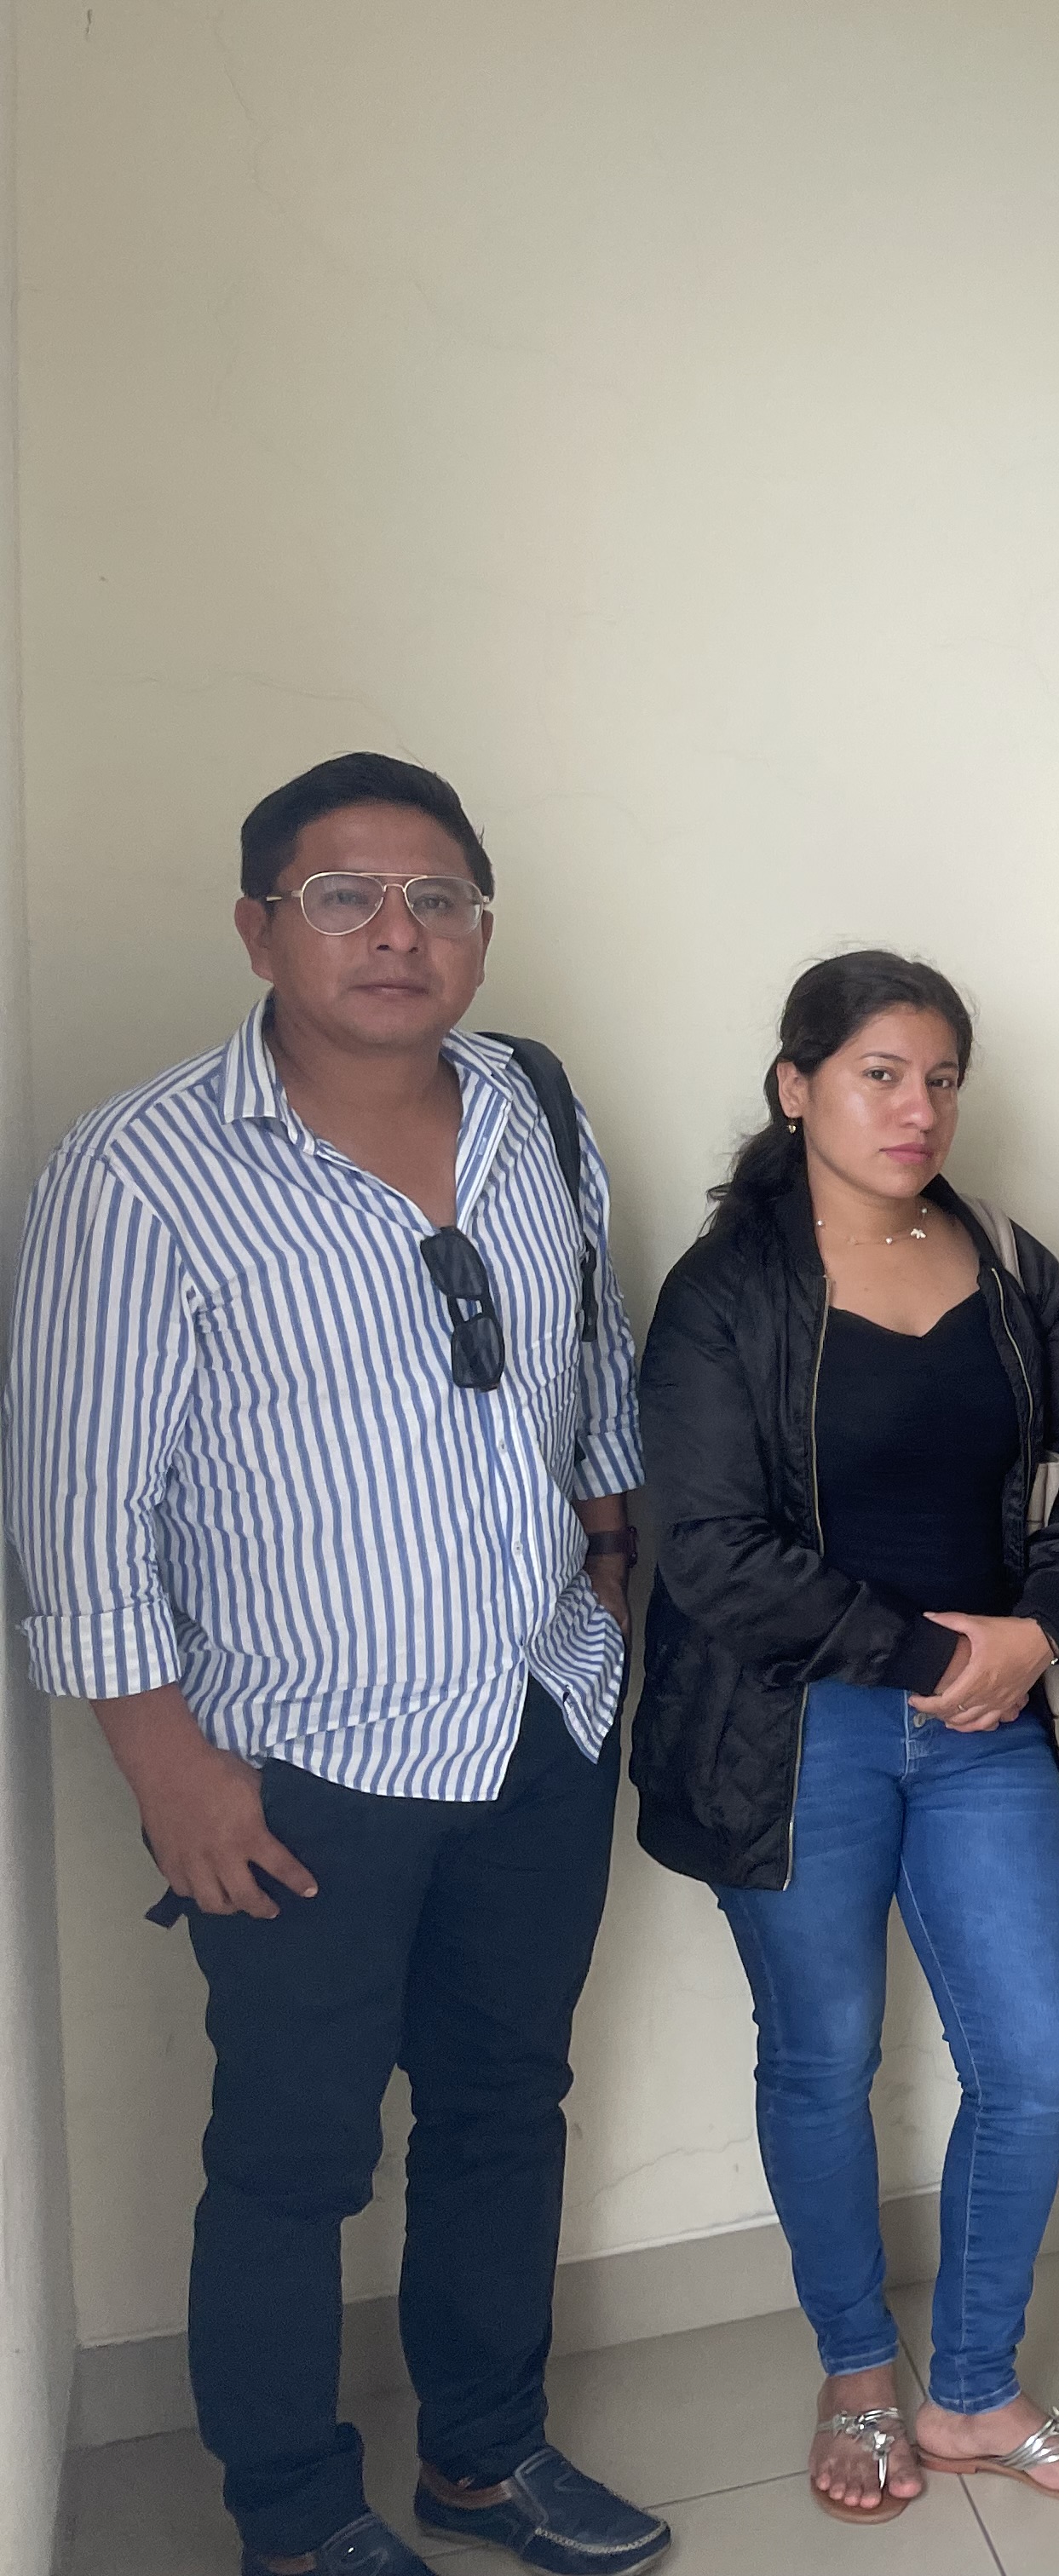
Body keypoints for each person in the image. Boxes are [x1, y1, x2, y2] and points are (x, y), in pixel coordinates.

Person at [4, 755, 666, 2576]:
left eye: (437, 897)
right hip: (294, 1765)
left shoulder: (536, 1111)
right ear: (257, 928)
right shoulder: (141, 1172)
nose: (396, 932)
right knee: (294, 2156)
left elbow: (594, 1357)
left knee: (503, 2108)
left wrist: (609, 1574)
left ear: (480, 931)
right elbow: (76, 1502)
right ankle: (294, 2517)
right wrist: (169, 1769)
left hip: (537, 1718)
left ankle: (486, 2456)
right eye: (342, 896)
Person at [631, 952, 1059, 2519]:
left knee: (1035, 2057)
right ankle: (858, 2370)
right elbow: (708, 1547)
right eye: (879, 1074)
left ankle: (973, 2390)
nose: (917, 1107)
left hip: (989, 1716)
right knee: (825, 2053)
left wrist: (1035, 1630)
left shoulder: (1008, 1260)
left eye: (941, 1078)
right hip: (794, 1735)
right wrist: (937, 1651)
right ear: (797, 1087)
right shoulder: (725, 1291)